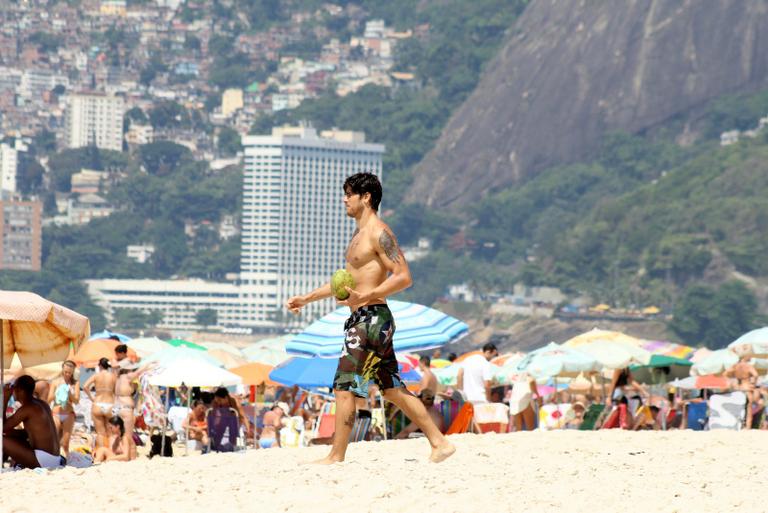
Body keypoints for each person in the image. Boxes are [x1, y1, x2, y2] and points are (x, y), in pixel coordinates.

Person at [286, 172, 455, 464]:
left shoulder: (379, 233)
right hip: (369, 318)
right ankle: (439, 443)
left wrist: (367, 295)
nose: (344, 199)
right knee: (391, 389)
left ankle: (336, 455)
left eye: (349, 193)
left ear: (366, 197)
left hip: (370, 319)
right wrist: (307, 298)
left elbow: (403, 276)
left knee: (344, 386)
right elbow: (345, 284)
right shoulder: (357, 236)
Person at [2, 375, 63, 469]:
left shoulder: (27, 408)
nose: (13, 391)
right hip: (54, 458)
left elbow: (2, 427)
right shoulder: (42, 404)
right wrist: (11, 433)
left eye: (15, 388)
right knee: (9, 436)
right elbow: (28, 433)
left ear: (20, 390)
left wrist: (5, 399)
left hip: (43, 460)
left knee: (1, 440)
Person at [114, 359, 147, 460]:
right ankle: (131, 457)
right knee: (128, 436)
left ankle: (124, 455)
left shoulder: (117, 378)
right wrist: (148, 365)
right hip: (127, 409)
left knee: (119, 436)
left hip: (117, 408)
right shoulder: (128, 376)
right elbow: (139, 372)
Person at [47, 360, 80, 457]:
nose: (67, 374)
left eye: (69, 372)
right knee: (54, 439)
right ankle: (54, 458)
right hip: (56, 413)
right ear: (62, 370)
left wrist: (70, 393)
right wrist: (57, 392)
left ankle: (65, 459)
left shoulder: (75, 383)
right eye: (65, 372)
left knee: (65, 442)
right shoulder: (55, 382)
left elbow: (77, 401)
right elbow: (48, 399)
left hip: (69, 413)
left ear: (73, 372)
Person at [83, 357, 117, 448]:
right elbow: (116, 391)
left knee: (100, 433)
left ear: (100, 366)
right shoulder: (113, 376)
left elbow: (85, 386)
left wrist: (91, 398)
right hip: (110, 404)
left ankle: (102, 452)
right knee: (110, 433)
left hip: (98, 403)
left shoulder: (96, 375)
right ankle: (110, 451)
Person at [725, 355, 760, 429]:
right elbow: (756, 375)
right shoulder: (748, 366)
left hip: (737, 388)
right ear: (745, 357)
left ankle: (737, 425)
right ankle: (747, 426)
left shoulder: (735, 366)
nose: (751, 357)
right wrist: (753, 382)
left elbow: (725, 374)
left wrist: (733, 380)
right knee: (748, 409)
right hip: (746, 387)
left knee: (737, 408)